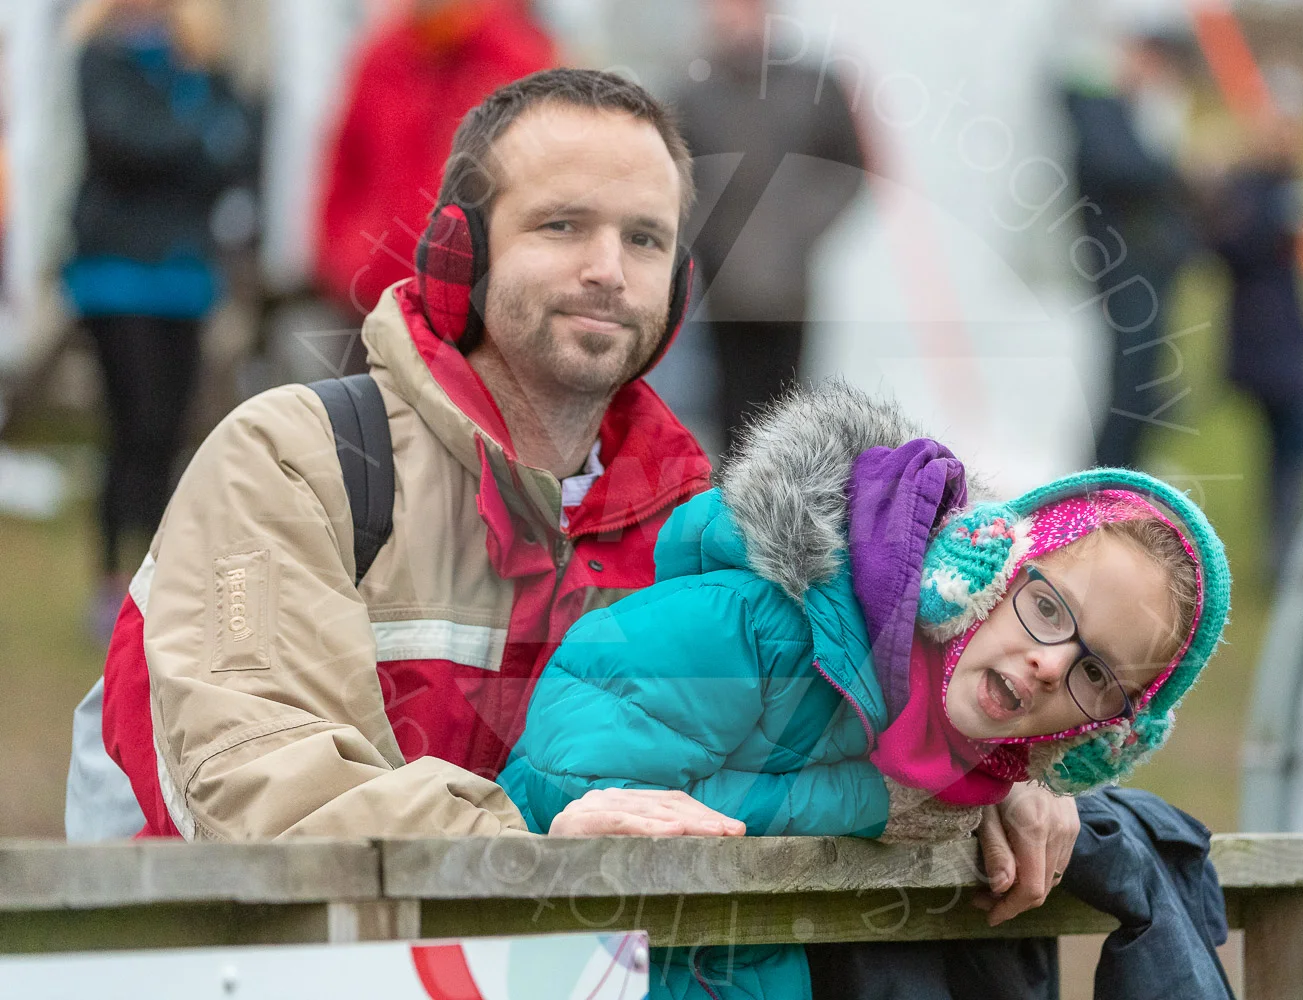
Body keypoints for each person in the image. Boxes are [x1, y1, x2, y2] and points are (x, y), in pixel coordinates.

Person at [66, 68, 1082, 902]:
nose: (610, 268)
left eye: (645, 239)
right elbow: (259, 790)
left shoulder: (699, 525)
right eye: (561, 225)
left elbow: (813, 752)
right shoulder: (294, 460)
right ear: (459, 253)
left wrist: (979, 789)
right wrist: (533, 837)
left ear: (680, 287)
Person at [500, 382, 1231, 999]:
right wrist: (873, 805)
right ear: (982, 573)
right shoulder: (767, 628)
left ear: (1097, 737)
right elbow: (571, 782)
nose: (1050, 664)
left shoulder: (966, 773)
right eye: (1046, 608)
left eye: (1096, 674)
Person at [63, 0, 258, 639]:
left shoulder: (203, 62)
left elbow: (240, 148)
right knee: (133, 424)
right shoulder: (102, 57)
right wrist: (197, 137)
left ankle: (155, 578)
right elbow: (122, 144)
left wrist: (188, 140)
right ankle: (111, 577)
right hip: (115, 277)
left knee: (171, 431)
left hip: (184, 279)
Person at [674, 0, 865, 451]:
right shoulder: (693, 93)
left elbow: (847, 169)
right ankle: (733, 509)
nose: (730, 18)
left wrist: (799, 228)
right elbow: (675, 174)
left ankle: (781, 504)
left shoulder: (814, 86)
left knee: (789, 406)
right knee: (729, 408)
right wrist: (708, 236)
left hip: (787, 283)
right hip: (721, 283)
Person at [314, 0, 553, 326]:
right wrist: (344, 258)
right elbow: (344, 164)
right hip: (377, 300)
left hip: (476, 307)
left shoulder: (518, 56)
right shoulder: (381, 54)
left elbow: (545, 185)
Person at [1062, 30, 1199, 470]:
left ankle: (1126, 477)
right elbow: (1127, 167)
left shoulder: (1134, 109)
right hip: (1117, 269)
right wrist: (1169, 165)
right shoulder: (1095, 104)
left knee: (1143, 384)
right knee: (1124, 385)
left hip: (1145, 269)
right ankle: (1103, 479)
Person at [1208, 101, 1303, 583]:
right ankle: (1284, 556)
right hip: (1265, 340)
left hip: (1285, 332)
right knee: (1293, 440)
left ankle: (1285, 550)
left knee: (1290, 446)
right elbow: (1229, 249)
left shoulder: (1285, 184)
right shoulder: (1252, 190)